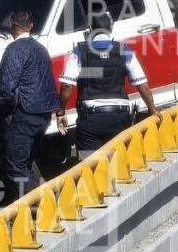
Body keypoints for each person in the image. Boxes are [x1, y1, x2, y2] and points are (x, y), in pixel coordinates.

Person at [56, 11, 156, 160]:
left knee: (90, 167)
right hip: (119, 118)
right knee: (118, 163)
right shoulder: (125, 50)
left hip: (90, 121)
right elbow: (142, 85)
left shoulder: (79, 51)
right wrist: (152, 110)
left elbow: (66, 86)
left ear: (90, 29)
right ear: (111, 28)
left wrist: (61, 112)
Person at [0, 10, 61, 201]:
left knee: (16, 165)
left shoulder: (15, 49)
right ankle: (40, 205)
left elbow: (5, 87)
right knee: (27, 164)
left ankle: (28, 211)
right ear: (31, 26)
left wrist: (0, 109)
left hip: (26, 113)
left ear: (11, 25)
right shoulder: (41, 48)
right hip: (44, 114)